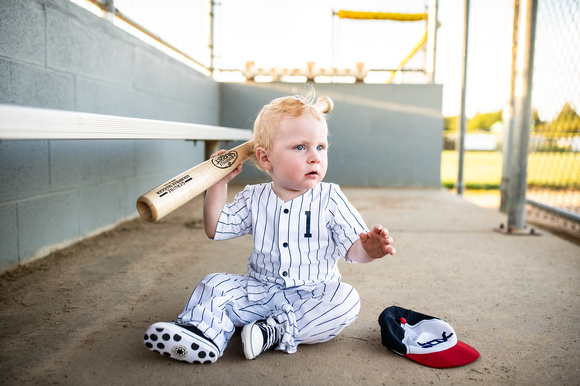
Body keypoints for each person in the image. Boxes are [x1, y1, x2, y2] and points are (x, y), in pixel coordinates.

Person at [143, 93, 396, 364]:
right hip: (259, 290)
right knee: (214, 284)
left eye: (321, 147)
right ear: (265, 158)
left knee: (346, 300)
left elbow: (353, 250)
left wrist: (369, 249)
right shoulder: (254, 197)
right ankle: (202, 334)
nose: (315, 158)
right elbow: (216, 228)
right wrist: (218, 183)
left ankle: (274, 331)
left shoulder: (330, 198)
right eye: (300, 147)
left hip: (311, 295)